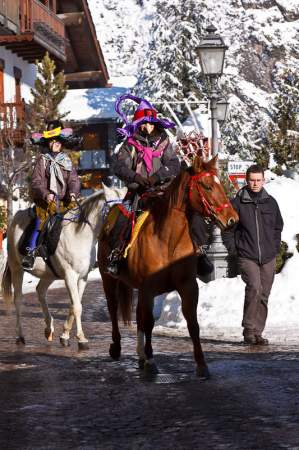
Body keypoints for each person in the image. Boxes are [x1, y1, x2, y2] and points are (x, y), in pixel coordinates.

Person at [106, 93, 212, 276]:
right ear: (138, 124)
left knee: (192, 212)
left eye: (151, 123)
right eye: (144, 123)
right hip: (138, 192)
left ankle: (200, 251)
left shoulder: (164, 142)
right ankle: (116, 256)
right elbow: (117, 166)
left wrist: (157, 177)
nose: (148, 127)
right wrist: (135, 177)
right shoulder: (129, 144)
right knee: (122, 217)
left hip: (163, 191)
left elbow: (174, 164)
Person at [223, 164, 283, 345]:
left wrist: (274, 247)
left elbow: (278, 226)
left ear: (263, 180)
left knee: (264, 293)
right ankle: (249, 330)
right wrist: (234, 250)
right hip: (246, 255)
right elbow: (227, 229)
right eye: (252, 180)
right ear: (246, 180)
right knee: (254, 287)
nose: (255, 183)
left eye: (258, 180)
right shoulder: (237, 203)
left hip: (268, 256)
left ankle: (258, 332)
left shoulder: (270, 202)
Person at [22, 120, 81, 270]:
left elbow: (73, 180)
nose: (56, 143)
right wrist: (46, 194)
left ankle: (80, 253)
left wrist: (73, 192)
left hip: (65, 200)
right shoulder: (42, 160)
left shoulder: (67, 161)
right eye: (53, 141)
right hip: (46, 200)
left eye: (58, 141)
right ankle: (31, 252)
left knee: (79, 218)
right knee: (40, 221)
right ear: (48, 143)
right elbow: (36, 182)